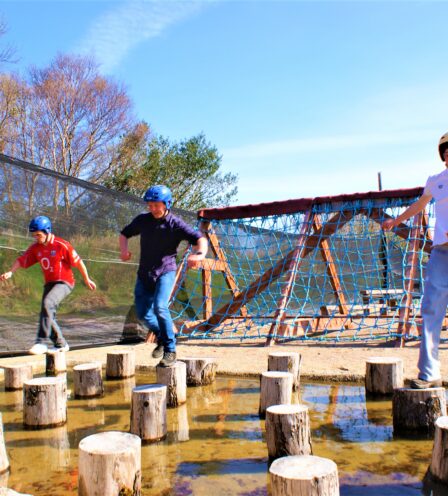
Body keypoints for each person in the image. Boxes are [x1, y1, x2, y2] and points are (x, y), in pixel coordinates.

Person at [382, 132, 448, 388]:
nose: (447, 154)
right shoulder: (435, 181)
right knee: (430, 309)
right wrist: (396, 221)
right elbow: (419, 206)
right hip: (441, 252)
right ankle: (429, 374)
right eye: (445, 150)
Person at [119, 185, 207, 367]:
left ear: (167, 204)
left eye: (156, 204)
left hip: (165, 271)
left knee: (160, 307)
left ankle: (170, 350)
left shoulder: (175, 224)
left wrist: (199, 254)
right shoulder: (143, 220)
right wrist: (124, 251)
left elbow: (200, 239)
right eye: (149, 204)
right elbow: (124, 234)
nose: (152, 208)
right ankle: (164, 335)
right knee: (143, 313)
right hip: (144, 273)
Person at [0, 215, 96, 354]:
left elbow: (79, 262)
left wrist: (87, 279)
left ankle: (41, 342)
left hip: (65, 282)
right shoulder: (36, 248)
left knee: (47, 304)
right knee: (46, 312)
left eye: (38, 235)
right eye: (34, 235)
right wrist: (11, 272)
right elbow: (21, 260)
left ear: (47, 231)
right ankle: (61, 344)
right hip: (49, 283)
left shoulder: (62, 245)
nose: (36, 238)